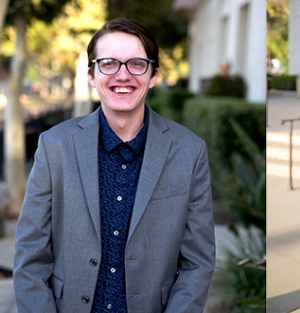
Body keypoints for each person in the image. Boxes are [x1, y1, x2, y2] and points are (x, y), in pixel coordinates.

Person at [13, 18, 215, 312]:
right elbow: (30, 257)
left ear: (154, 74)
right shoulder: (53, 146)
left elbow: (198, 263)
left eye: (136, 64)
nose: (123, 75)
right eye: (108, 63)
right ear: (92, 75)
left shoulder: (190, 151)